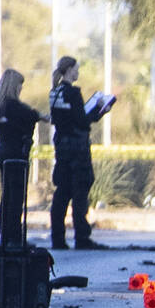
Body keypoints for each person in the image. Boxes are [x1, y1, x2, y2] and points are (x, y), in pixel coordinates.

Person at [48, 55, 107, 250]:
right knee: (80, 191)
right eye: (76, 69)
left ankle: (57, 237)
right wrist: (99, 110)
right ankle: (82, 237)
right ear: (70, 70)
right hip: (77, 148)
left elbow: (61, 119)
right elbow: (81, 121)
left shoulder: (54, 92)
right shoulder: (73, 93)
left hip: (62, 148)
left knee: (62, 192)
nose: (78, 72)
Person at [0, 68, 41, 169]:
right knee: (18, 183)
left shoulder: (0, 106)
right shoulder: (13, 106)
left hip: (2, 151)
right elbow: (31, 115)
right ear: (14, 86)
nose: (21, 88)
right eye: (20, 85)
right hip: (16, 153)